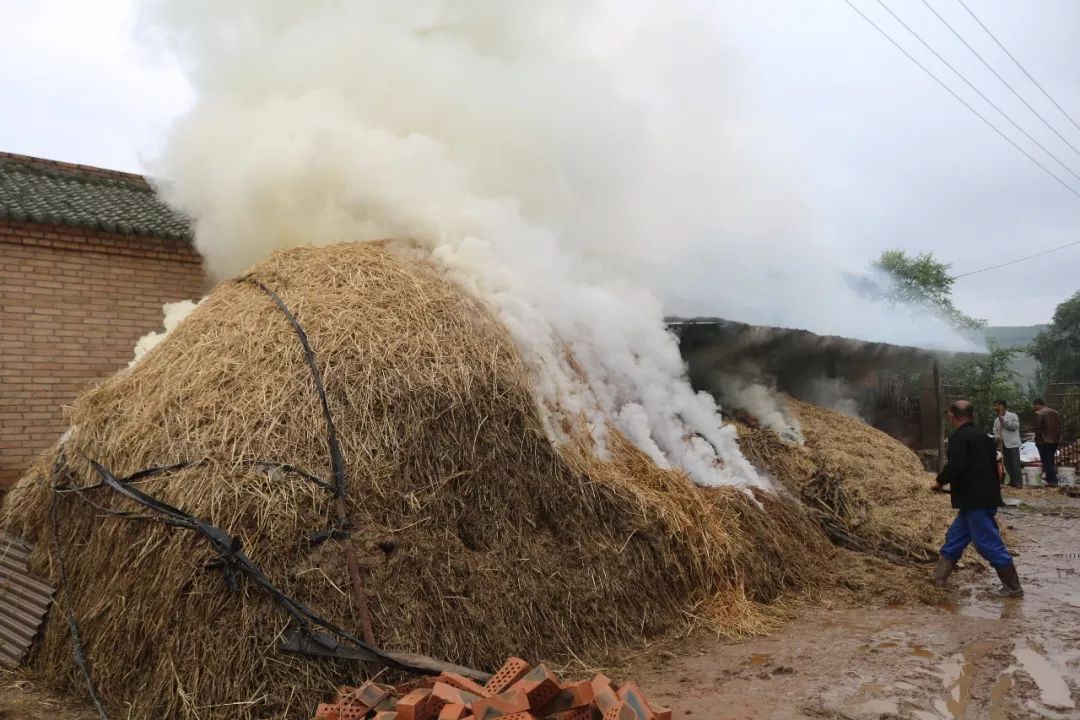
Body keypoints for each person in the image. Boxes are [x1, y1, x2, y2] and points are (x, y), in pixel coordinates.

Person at [931, 399, 1022, 596]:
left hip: (975, 501)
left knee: (987, 543)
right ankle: (938, 580)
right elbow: (993, 468)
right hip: (983, 498)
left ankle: (1013, 588)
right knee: (954, 538)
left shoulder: (959, 438)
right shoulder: (985, 438)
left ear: (951, 416)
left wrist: (939, 482)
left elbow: (956, 466)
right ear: (972, 415)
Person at [1033, 399, 1062, 487]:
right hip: (1055, 439)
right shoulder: (1055, 412)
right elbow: (1060, 426)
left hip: (1043, 440)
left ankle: (1052, 481)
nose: (1034, 408)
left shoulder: (1039, 413)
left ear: (1038, 404)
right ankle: (1051, 478)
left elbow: (1037, 428)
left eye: (1034, 405)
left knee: (1046, 461)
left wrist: (1037, 439)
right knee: (1050, 459)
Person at [993, 400, 1022, 488]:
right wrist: (997, 436)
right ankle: (1013, 481)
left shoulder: (1013, 416)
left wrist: (1004, 421)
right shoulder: (996, 420)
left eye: (997, 406)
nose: (995, 408)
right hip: (1003, 444)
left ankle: (1019, 482)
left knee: (1015, 463)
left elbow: (1014, 427)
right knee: (1007, 464)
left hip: (1012, 443)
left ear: (1003, 406)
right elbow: (995, 430)